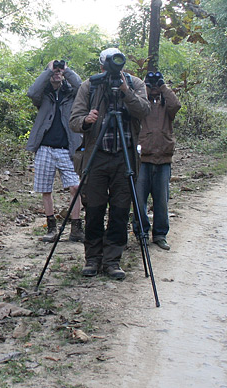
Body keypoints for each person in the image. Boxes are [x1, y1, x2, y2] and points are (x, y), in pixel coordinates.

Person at [69, 48, 150, 279]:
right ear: (101, 65)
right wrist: (86, 120)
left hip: (124, 157)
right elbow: (74, 120)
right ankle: (92, 259)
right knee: (93, 209)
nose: (112, 69)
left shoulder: (134, 84)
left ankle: (113, 260)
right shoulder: (90, 85)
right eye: (107, 65)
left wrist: (126, 92)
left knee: (121, 210)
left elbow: (144, 110)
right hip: (97, 155)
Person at [26, 59, 84, 243]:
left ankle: (76, 228)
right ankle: (52, 228)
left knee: (75, 187)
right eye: (54, 71)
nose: (56, 73)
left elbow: (82, 87)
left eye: (59, 71)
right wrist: (48, 70)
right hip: (45, 147)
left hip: (68, 148)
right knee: (45, 189)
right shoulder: (43, 95)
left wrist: (66, 70)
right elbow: (32, 92)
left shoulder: (71, 94)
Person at [134, 71, 181, 250]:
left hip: (163, 158)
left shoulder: (166, 105)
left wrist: (163, 86)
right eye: (151, 84)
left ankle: (160, 234)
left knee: (161, 200)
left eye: (156, 84)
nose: (154, 87)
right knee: (139, 199)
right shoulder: (142, 104)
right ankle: (141, 232)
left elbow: (176, 106)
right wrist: (145, 88)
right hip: (143, 158)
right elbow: (135, 107)